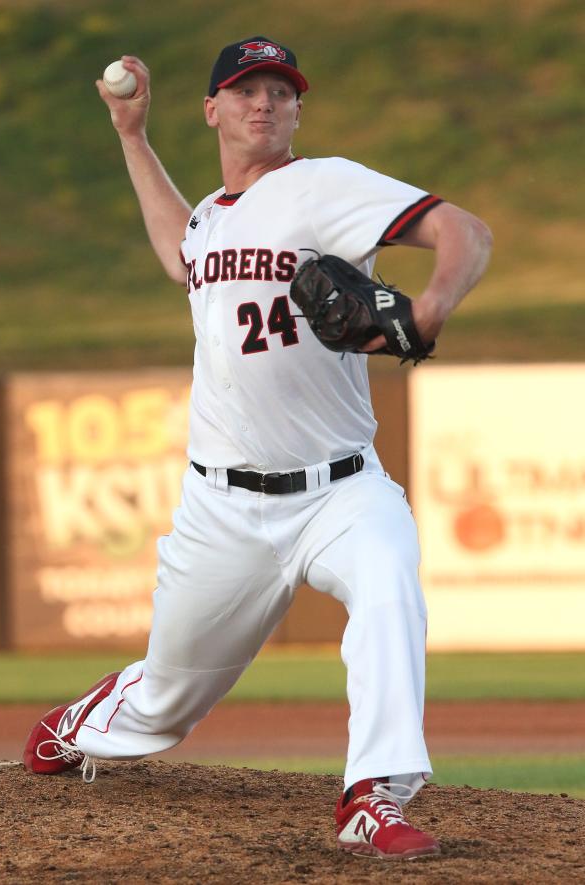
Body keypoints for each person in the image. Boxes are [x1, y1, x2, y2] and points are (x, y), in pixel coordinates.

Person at [24, 36, 492, 860]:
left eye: (281, 90)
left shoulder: (325, 184)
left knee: (388, 581)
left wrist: (430, 308)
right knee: (165, 703)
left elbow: (466, 230)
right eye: (246, 90)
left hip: (341, 489)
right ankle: (87, 718)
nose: (265, 102)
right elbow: (181, 253)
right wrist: (132, 135)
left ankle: (373, 794)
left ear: (299, 110)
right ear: (213, 110)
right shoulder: (211, 216)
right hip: (223, 508)